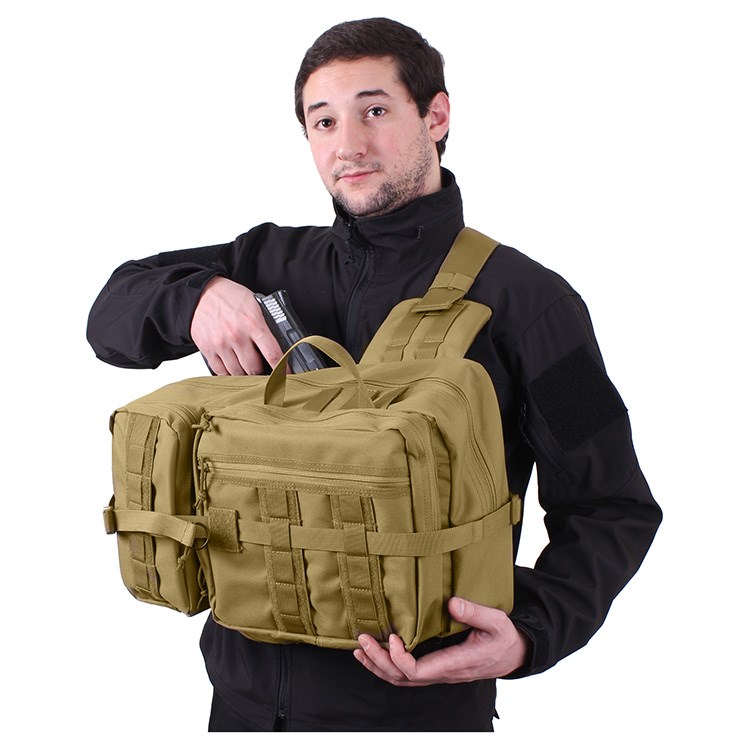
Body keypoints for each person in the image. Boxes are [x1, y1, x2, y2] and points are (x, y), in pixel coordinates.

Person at [87, 17, 662, 732]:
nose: (348, 145)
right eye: (323, 121)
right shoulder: (268, 264)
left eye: (376, 111)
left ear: (436, 116)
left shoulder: (534, 303)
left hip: (420, 712)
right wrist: (196, 298)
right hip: (242, 710)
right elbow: (110, 315)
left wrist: (530, 633)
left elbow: (613, 506)